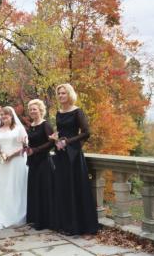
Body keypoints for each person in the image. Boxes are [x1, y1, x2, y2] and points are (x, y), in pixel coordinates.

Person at [50, 83, 99, 235]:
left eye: (63, 93)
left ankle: (76, 226)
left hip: (74, 155)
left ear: (69, 94)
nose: (61, 96)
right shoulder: (58, 112)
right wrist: (56, 138)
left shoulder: (77, 112)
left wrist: (67, 141)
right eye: (59, 94)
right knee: (63, 188)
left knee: (73, 188)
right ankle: (64, 224)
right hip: (61, 154)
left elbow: (86, 133)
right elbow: (61, 130)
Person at [26, 99, 56, 230]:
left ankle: (46, 221)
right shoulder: (31, 126)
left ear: (40, 110)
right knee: (35, 190)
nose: (32, 111)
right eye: (31, 109)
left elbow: (51, 143)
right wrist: (26, 147)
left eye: (35, 109)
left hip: (44, 161)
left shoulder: (45, 125)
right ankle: (35, 219)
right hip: (33, 162)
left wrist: (35, 150)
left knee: (44, 190)